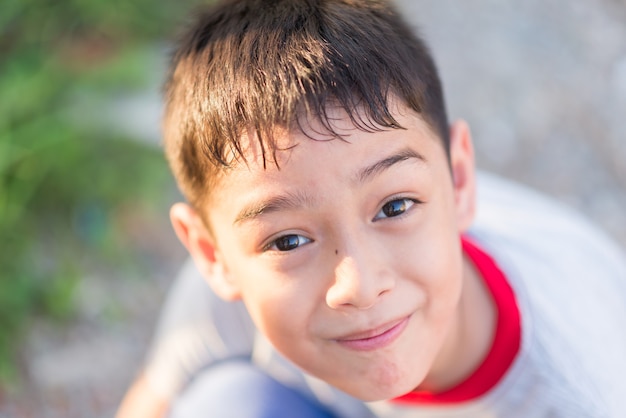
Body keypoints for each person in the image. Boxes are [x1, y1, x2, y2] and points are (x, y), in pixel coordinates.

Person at [116, 0, 626, 416]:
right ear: (213, 256)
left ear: (460, 181)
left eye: (396, 206)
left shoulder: (579, 394)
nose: (358, 285)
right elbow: (152, 402)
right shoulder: (234, 290)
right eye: (289, 240)